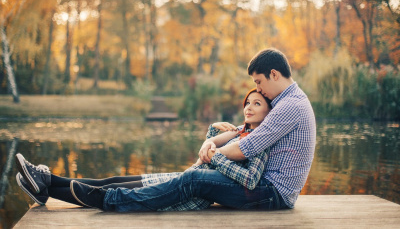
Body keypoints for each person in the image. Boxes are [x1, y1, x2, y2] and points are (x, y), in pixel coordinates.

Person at [15, 88, 272, 211]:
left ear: (269, 113)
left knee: (110, 190)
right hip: (184, 178)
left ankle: (46, 185)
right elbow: (203, 158)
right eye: (247, 102)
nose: (248, 107)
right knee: (114, 180)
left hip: (192, 194)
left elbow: (249, 179)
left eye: (257, 104)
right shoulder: (240, 131)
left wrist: (217, 157)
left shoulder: (260, 141)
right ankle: (46, 182)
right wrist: (212, 134)